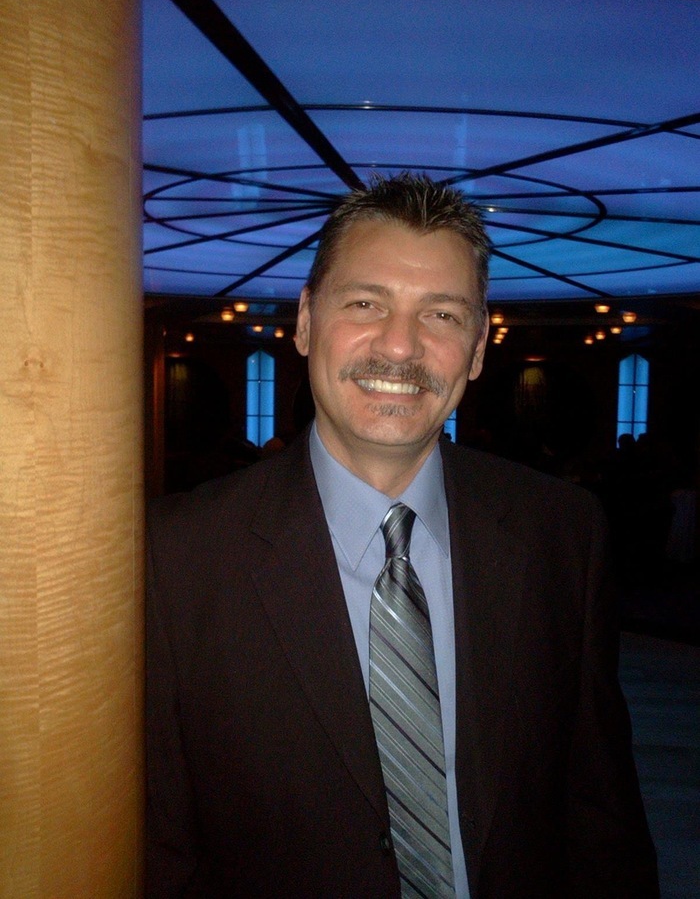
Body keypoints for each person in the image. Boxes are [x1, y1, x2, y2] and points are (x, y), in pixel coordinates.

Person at [146, 173, 659, 897]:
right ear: (305, 321)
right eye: (365, 303)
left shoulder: (562, 535)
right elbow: (159, 849)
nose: (399, 346)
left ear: (477, 347)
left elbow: (602, 816)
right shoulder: (174, 557)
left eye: (442, 314)